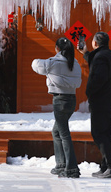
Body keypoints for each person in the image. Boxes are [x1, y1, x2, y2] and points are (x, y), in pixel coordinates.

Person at [32, 37, 82, 178]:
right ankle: (61, 164)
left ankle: (71, 168)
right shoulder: (75, 63)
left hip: (60, 100)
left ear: (57, 49)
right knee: (57, 131)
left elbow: (36, 64)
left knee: (64, 133)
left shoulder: (53, 62)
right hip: (71, 100)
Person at [82, 31, 111, 178]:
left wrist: (89, 92)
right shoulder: (109, 54)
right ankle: (105, 166)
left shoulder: (100, 58)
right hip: (109, 102)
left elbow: (98, 78)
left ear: (95, 43)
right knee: (105, 134)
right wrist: (86, 53)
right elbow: (96, 60)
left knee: (98, 134)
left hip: (101, 103)